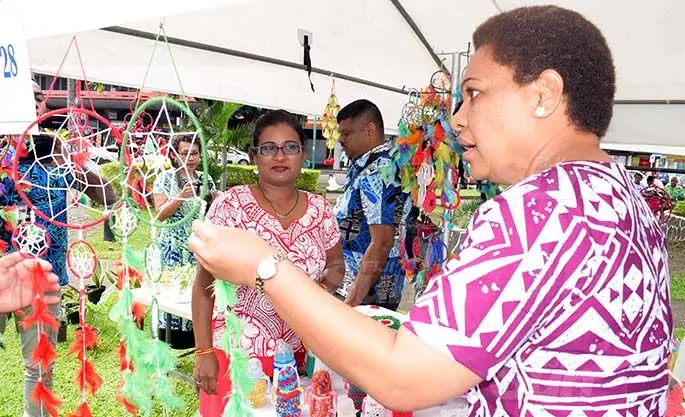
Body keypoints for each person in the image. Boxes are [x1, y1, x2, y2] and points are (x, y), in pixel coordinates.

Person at [188, 5, 672, 416]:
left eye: (475, 93)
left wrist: (266, 268)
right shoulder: (619, 194)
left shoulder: (540, 208)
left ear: (543, 94)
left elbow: (405, 377)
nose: (458, 117)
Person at [192, 110, 343, 416]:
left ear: (303, 153)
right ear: (254, 156)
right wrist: (204, 351)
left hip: (301, 355)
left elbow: (336, 265)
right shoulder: (231, 205)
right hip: (234, 356)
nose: (280, 155)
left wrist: (321, 289)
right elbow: (202, 285)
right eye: (268, 148)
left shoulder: (320, 210)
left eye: (290, 147)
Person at [0, 82, 116, 417]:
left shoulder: (52, 151)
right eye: (24, 96)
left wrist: (78, 160)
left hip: (42, 281)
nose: (35, 104)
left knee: (38, 368)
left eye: (37, 98)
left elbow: (106, 197)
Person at [334, 99, 411, 310]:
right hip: (357, 287)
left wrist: (351, 303)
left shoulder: (380, 170)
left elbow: (382, 242)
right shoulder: (366, 164)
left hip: (366, 293)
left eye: (347, 133)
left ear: (369, 130)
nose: (341, 139)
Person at [152, 134, 217, 348]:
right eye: (184, 153)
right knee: (172, 296)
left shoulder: (205, 179)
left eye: (195, 153)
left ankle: (195, 341)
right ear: (174, 155)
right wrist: (180, 196)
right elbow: (160, 214)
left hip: (196, 250)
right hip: (171, 250)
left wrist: (217, 200)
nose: (190, 158)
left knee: (195, 294)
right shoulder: (165, 179)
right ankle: (168, 343)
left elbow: (211, 214)